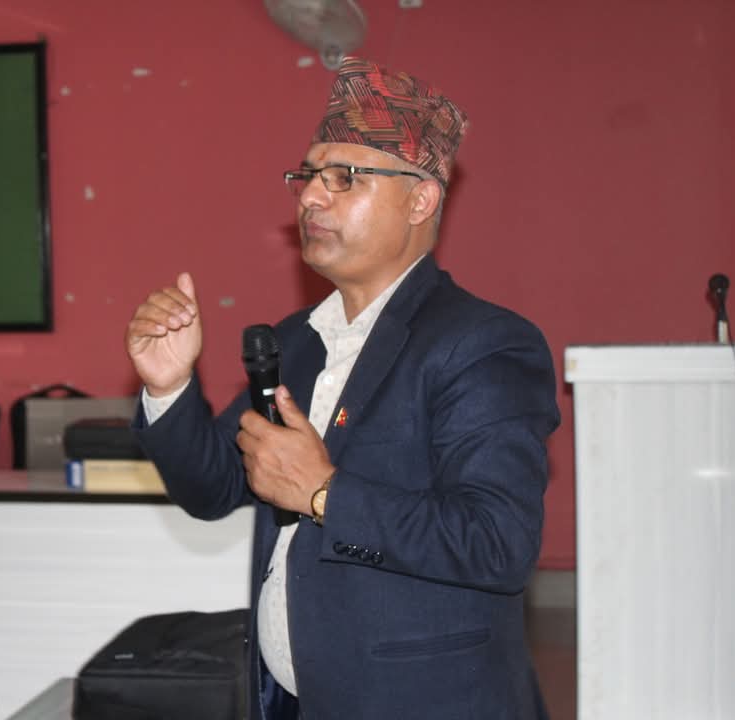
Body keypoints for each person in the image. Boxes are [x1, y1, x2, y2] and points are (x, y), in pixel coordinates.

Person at [124, 57, 560, 720]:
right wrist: (170, 387)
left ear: (420, 200)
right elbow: (213, 489)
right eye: (306, 177)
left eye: (344, 178)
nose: (309, 198)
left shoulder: (482, 343)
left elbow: (497, 543)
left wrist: (324, 492)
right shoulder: (297, 341)